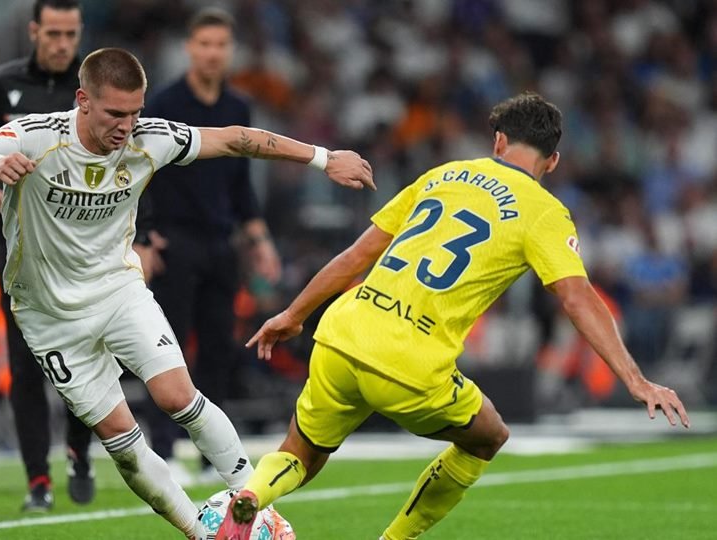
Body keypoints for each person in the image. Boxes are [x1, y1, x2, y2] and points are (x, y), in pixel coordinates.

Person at [0, 47, 374, 539]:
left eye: (135, 112)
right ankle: (200, 533)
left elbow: (234, 141)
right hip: (46, 314)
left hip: (118, 291)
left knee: (176, 395)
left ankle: (257, 507)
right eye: (115, 113)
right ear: (82, 100)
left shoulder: (150, 139)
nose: (126, 126)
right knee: (120, 438)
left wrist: (323, 157)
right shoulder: (37, 136)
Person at [218, 92, 691, 540]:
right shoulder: (545, 212)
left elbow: (355, 257)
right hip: (410, 362)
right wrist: (635, 378)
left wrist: (293, 314)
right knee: (488, 436)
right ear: (553, 162)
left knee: (301, 450)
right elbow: (577, 297)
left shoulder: (442, 174)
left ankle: (252, 495)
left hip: (343, 334)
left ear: (499, 142)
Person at [0, 0, 94, 511]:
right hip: (19, 246)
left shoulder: (94, 88)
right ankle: (38, 482)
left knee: (82, 358)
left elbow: (130, 150)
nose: (61, 44)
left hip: (82, 246)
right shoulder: (0, 84)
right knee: (26, 366)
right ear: (34, 31)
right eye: (52, 33)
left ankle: (79, 451)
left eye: (70, 34)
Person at [134, 7, 281, 486]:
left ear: (230, 50)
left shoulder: (238, 109)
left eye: (221, 45)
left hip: (221, 243)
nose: (213, 53)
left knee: (219, 347)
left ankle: (207, 445)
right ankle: (164, 445)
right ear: (189, 48)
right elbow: (142, 172)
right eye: (205, 44)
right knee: (167, 347)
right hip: (174, 240)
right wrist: (142, 235)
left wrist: (258, 238)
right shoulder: (165, 101)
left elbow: (241, 184)